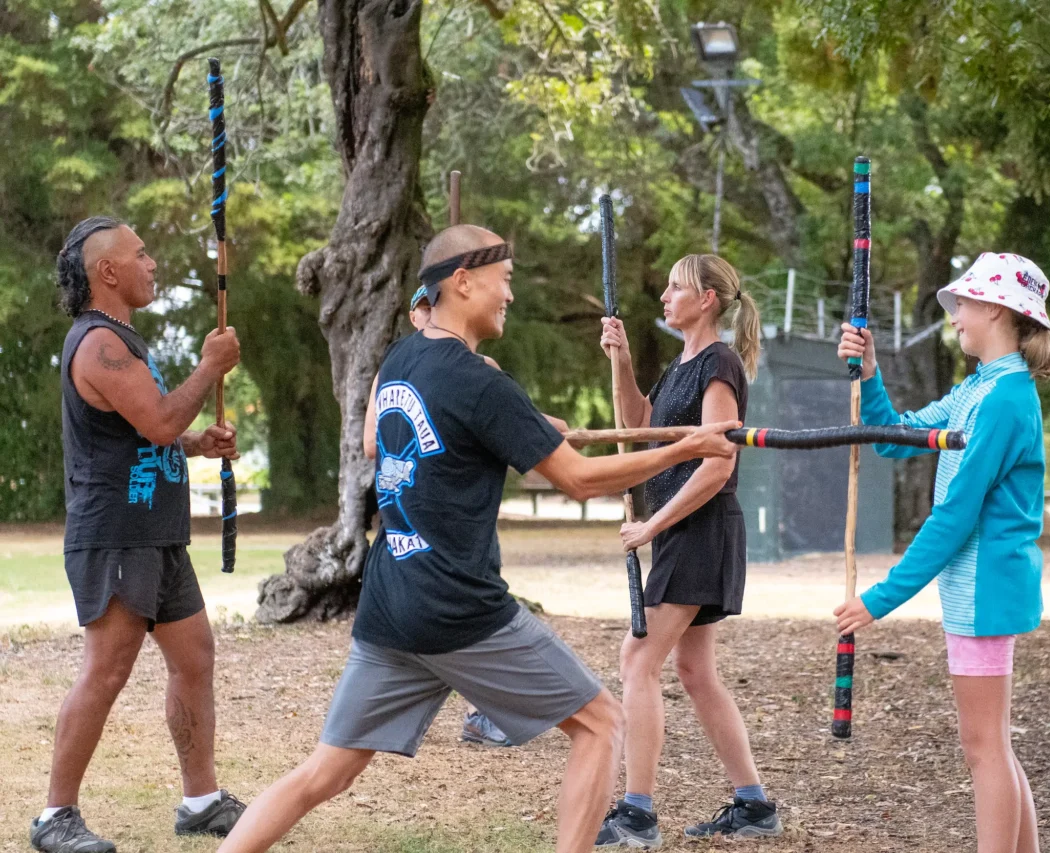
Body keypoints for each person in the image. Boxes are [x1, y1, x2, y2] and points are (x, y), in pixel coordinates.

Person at [218, 225, 740, 853]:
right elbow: (579, 482)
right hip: (457, 607)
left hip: (390, 601)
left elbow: (373, 441)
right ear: (463, 282)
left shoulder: (402, 359)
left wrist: (515, 427)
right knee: (601, 723)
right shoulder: (481, 383)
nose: (510, 296)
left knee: (325, 772)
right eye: (506, 279)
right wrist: (685, 446)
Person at [834, 252, 1050, 853]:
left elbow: (956, 515)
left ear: (993, 309)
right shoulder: (980, 388)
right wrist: (871, 372)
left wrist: (880, 598)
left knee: (983, 747)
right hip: (978, 588)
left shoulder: (1005, 400)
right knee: (994, 745)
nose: (955, 315)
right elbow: (892, 437)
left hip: (987, 588)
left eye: (963, 304)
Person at [33, 217, 246, 853]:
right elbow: (153, 422)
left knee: (195, 657)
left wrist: (196, 443)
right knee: (107, 670)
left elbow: (142, 431)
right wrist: (209, 367)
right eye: (142, 254)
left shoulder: (122, 342)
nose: (153, 264)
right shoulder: (98, 344)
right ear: (108, 272)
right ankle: (54, 817)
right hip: (116, 534)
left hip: (155, 533)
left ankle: (201, 802)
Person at [592, 254, 779, 848]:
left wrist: (651, 526)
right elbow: (638, 427)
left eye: (677, 288)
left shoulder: (719, 363)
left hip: (701, 530)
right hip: (687, 532)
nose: (666, 297)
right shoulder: (682, 364)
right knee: (694, 671)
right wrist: (621, 359)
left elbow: (718, 462)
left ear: (708, 300)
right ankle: (753, 804)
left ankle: (638, 816)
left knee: (636, 661)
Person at [363, 282, 567, 749]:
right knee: (453, 616)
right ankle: (474, 712)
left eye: (426, 307)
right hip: (413, 513)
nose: (422, 317)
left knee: (468, 610)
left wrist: (542, 430)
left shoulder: (480, 370)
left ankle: (480, 713)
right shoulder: (395, 366)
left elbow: (519, 425)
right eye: (417, 310)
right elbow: (371, 444)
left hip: (463, 514)